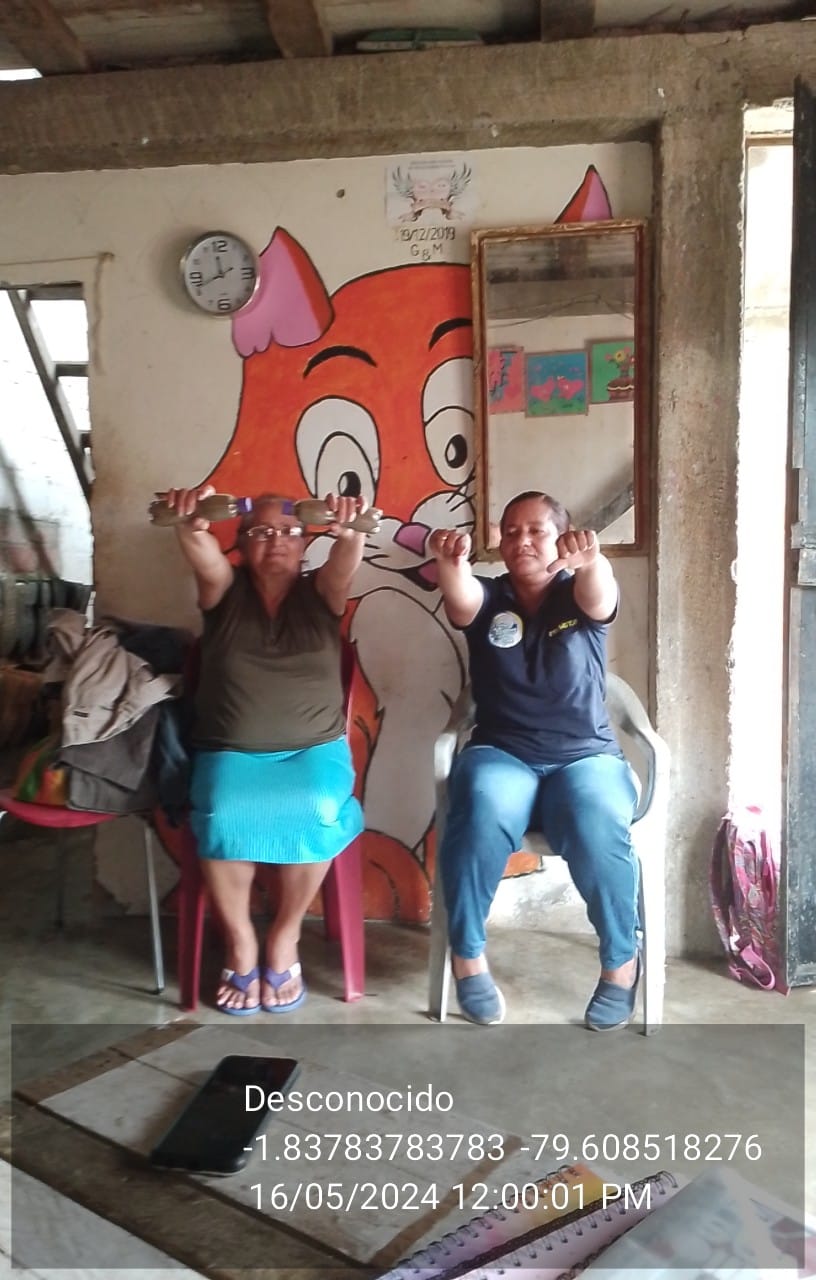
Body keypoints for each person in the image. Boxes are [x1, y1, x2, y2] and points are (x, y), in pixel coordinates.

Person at [429, 490, 640, 1031]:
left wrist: (592, 561)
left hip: (585, 756)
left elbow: (601, 594)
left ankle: (621, 963)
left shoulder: (579, 593)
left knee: (598, 821)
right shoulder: (488, 597)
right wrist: (450, 563)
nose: (521, 540)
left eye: (536, 531)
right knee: (479, 809)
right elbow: (460, 597)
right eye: (511, 531)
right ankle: (467, 957)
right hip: (504, 753)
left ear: (561, 538)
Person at [164, 483, 367, 1015]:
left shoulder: (321, 593)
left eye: (290, 531)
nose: (276, 540)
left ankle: (284, 936)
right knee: (223, 808)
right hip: (231, 751)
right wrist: (190, 524)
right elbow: (202, 555)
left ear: (304, 543)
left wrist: (349, 532)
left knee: (317, 808)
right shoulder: (224, 591)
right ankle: (240, 944)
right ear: (241, 543)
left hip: (315, 750)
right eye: (261, 532)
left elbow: (345, 562)